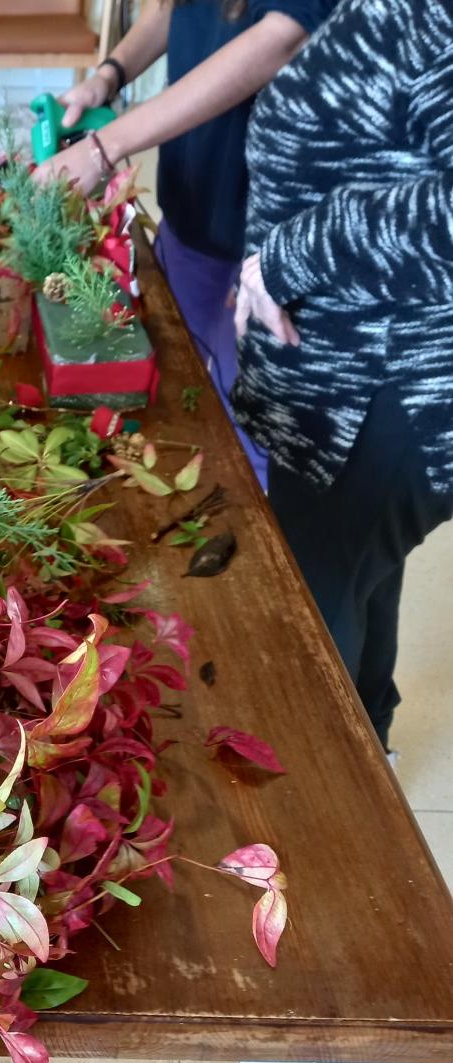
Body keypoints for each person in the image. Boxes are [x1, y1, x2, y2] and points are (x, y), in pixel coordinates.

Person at [232, 0, 453, 756]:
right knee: (358, 576)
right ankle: (369, 752)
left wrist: (290, 256)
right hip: (350, 381)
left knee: (311, 623)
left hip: (391, 385)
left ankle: (323, 794)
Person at [36, 0, 338, 486]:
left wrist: (105, 147)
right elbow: (170, 10)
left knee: (259, 431)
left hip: (274, 236)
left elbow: (282, 36)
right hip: (193, 199)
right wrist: (110, 74)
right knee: (175, 379)